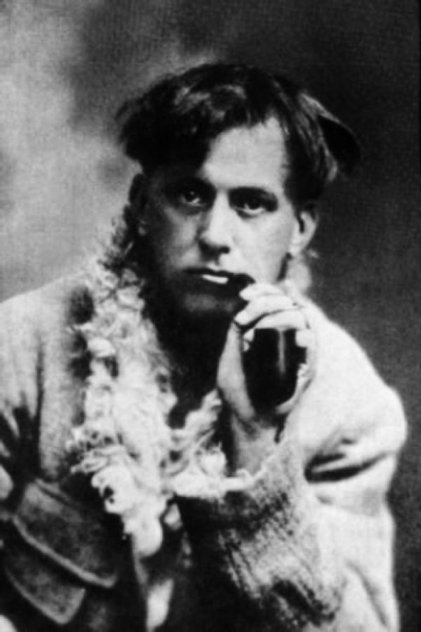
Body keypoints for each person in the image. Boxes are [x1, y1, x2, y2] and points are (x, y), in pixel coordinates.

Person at [0, 63, 406, 632]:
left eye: (251, 203)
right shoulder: (25, 341)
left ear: (300, 228)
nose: (215, 235)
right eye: (189, 194)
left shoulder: (350, 405)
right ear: (142, 204)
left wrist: (255, 442)